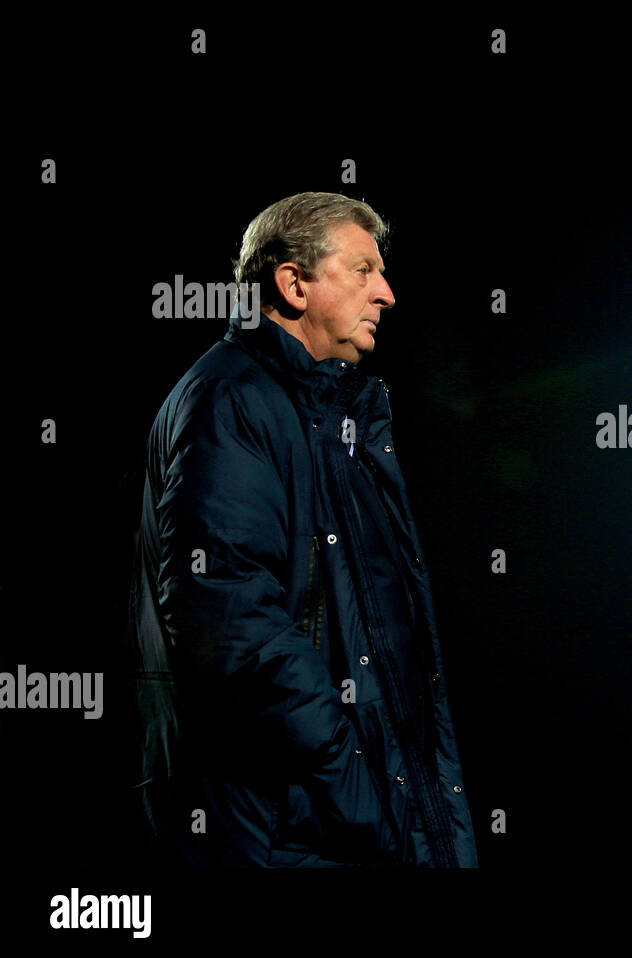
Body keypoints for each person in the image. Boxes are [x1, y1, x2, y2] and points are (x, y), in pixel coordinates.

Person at [125, 192, 477, 867]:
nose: (388, 294)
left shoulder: (324, 411)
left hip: (336, 820)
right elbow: (229, 616)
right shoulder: (233, 399)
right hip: (288, 829)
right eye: (363, 270)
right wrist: (354, 781)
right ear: (293, 284)